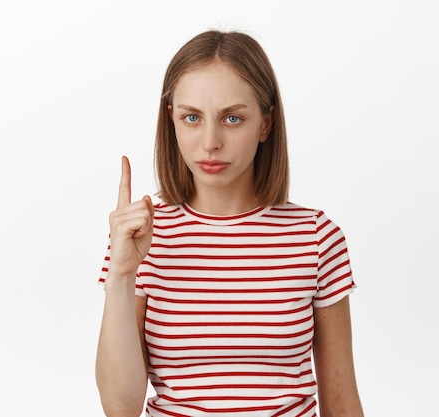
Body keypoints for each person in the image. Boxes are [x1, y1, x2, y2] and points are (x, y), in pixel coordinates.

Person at [96, 30, 364, 417]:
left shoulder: (317, 238)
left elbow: (341, 401)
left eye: (233, 118)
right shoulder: (140, 238)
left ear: (266, 125)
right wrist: (121, 276)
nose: (210, 142)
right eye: (192, 117)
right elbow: (120, 409)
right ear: (171, 119)